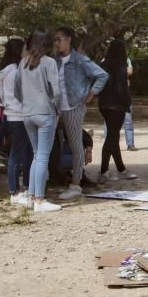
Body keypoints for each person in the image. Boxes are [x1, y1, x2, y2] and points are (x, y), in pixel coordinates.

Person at [54, 27, 108, 200]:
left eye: (59, 39)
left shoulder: (80, 60)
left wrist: (91, 94)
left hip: (74, 106)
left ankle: (76, 184)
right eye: (55, 40)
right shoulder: (54, 61)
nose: (57, 43)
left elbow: (102, 75)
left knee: (76, 145)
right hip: (56, 108)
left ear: (68, 39)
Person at [16, 29, 62, 212]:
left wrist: (27, 103)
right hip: (45, 113)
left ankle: (32, 196)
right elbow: (57, 91)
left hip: (27, 113)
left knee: (37, 155)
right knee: (43, 156)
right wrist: (56, 110)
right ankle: (40, 200)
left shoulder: (23, 63)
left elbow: (17, 90)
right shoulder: (49, 62)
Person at [0, 38, 34, 206]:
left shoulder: (4, 70)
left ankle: (23, 187)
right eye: (24, 49)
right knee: (17, 154)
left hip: (11, 113)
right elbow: (20, 93)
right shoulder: (15, 71)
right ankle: (14, 190)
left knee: (23, 152)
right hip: (19, 114)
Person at [97, 39, 137, 183]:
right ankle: (103, 170)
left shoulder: (103, 65)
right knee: (112, 138)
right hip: (117, 105)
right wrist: (127, 102)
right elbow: (121, 89)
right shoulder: (121, 67)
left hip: (104, 104)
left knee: (113, 137)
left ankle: (121, 168)